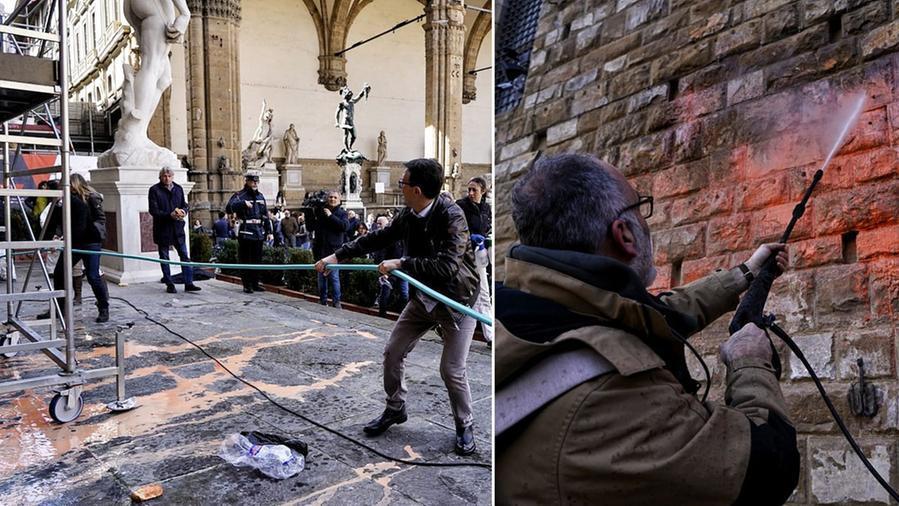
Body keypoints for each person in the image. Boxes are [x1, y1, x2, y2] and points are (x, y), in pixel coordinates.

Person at [495, 154, 798, 505]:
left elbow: (651, 312)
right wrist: (750, 362)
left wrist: (743, 273)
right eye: (640, 208)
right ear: (624, 234)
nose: (645, 220)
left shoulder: (532, 301)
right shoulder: (618, 395)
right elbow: (766, 470)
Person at [315, 158, 480, 455]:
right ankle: (395, 408)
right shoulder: (409, 214)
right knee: (393, 352)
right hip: (423, 300)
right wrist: (336, 257)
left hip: (457, 301)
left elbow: (449, 265)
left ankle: (465, 424)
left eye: (402, 183)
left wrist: (402, 263)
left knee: (451, 370)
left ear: (416, 190)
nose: (399, 187)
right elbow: (378, 237)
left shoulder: (452, 215)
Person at [42, 173, 110, 323]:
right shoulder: (63, 201)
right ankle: (60, 307)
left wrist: (92, 231)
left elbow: (100, 219)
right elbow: (59, 221)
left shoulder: (91, 198)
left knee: (93, 275)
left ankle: (103, 307)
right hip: (74, 241)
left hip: (90, 241)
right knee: (60, 272)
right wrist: (55, 237)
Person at [148, 167, 201, 294]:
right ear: (160, 177)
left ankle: (189, 282)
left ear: (172, 177)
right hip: (163, 229)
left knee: (184, 256)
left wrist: (184, 211)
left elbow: (184, 204)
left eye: (169, 176)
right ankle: (169, 283)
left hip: (177, 229)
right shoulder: (154, 190)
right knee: (164, 257)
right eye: (164, 176)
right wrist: (169, 215)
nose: (167, 178)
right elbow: (153, 210)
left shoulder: (178, 188)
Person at [456, 176, 493, 344]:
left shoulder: (486, 209)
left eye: (474, 190)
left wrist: (485, 239)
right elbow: (456, 230)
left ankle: (490, 334)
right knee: (464, 293)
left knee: (484, 293)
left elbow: (487, 228)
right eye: (469, 189)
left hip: (479, 254)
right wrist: (470, 237)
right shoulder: (461, 206)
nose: (470, 193)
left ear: (483, 191)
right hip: (464, 256)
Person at [226, 171, 274, 293]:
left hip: (258, 232)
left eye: (256, 181)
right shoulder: (239, 195)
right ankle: (247, 284)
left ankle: (255, 282)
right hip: (246, 232)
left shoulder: (260, 196)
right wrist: (242, 204)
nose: (254, 183)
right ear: (246, 181)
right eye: (252, 181)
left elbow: (265, 215)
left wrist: (269, 231)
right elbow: (228, 207)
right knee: (246, 259)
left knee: (257, 259)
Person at [311, 191, 349, 307]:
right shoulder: (321, 212)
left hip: (334, 252)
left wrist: (331, 216)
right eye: (330, 197)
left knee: (334, 278)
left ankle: (336, 302)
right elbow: (314, 228)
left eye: (335, 197)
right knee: (321, 278)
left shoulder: (342, 213)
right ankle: (322, 300)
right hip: (321, 250)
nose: (332, 199)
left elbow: (344, 227)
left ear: (339, 199)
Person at [371, 215, 408, 318]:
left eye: (380, 223)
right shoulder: (388, 238)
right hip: (389, 271)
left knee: (404, 294)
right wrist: (383, 272)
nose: (378, 226)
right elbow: (380, 255)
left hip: (402, 271)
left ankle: (402, 317)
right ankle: (382, 315)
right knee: (385, 293)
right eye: (377, 223)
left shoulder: (406, 238)